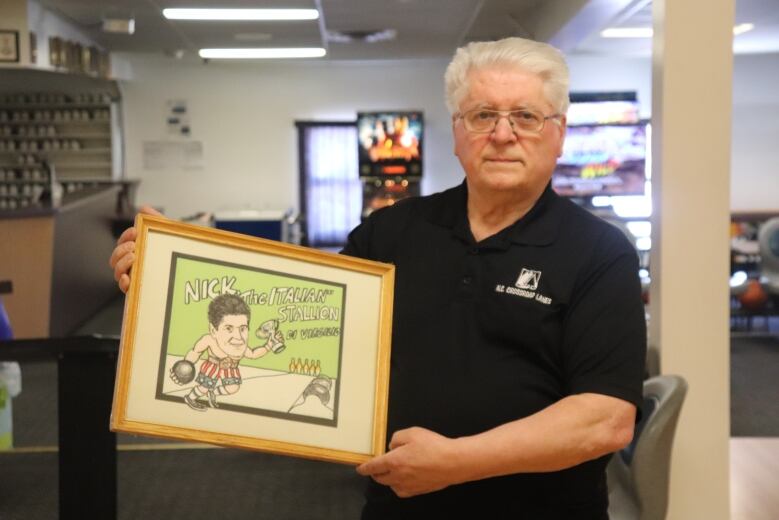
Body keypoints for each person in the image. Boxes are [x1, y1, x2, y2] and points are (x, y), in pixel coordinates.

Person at [110, 37, 645, 519]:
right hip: (399, 507)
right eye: (482, 115)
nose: (502, 134)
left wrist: (456, 462)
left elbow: (604, 420)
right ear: (458, 132)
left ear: (559, 134)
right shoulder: (391, 232)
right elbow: (298, 327)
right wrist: (165, 281)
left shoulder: (600, 253)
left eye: (525, 116)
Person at [171, 293, 274, 411]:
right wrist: (183, 368)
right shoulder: (209, 340)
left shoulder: (242, 347)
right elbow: (196, 352)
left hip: (231, 369)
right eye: (229, 328)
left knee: (233, 388)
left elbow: (253, 354)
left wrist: (269, 346)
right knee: (203, 387)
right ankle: (190, 397)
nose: (238, 337)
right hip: (212, 368)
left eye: (243, 328)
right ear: (213, 330)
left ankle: (213, 393)